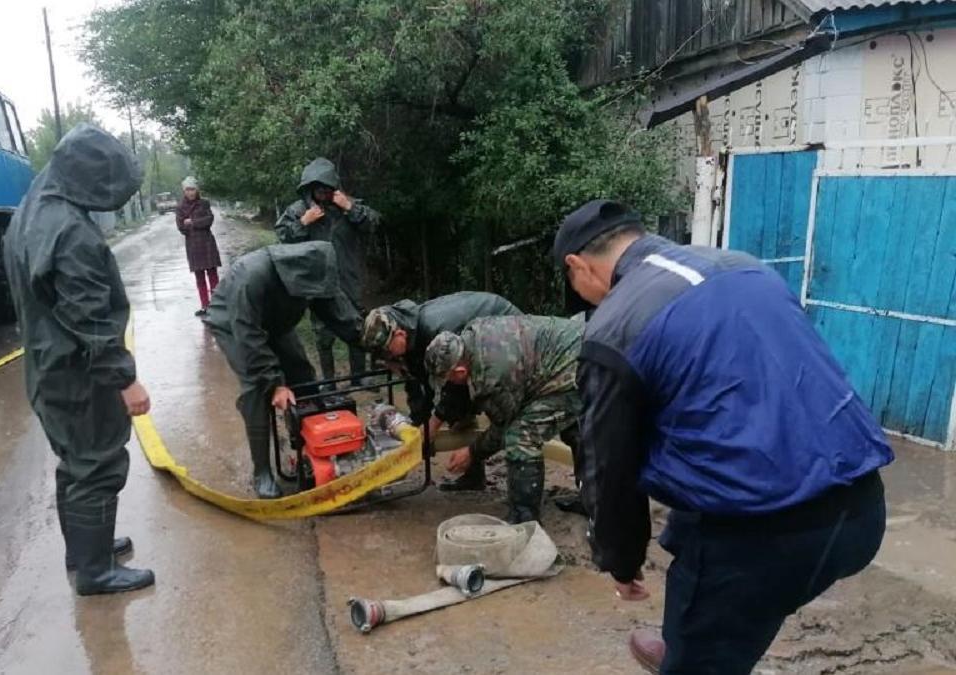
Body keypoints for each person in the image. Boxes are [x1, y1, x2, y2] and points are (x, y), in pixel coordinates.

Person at [550, 199, 894, 673]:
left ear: (577, 266)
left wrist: (621, 561)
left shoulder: (615, 327)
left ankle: (698, 648)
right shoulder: (742, 266)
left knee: (711, 635)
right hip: (863, 512)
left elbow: (609, 470)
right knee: (698, 518)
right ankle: (696, 637)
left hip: (766, 541)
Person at [3, 123, 154, 596]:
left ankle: (86, 549)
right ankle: (95, 571)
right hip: (76, 372)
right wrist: (125, 378)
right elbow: (89, 317)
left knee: (74, 461)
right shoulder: (68, 231)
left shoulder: (33, 209)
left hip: (49, 366)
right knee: (96, 462)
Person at [203, 241, 363, 499]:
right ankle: (262, 472)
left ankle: (307, 445)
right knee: (257, 389)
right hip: (234, 325)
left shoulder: (314, 272)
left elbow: (340, 316)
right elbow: (248, 334)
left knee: (302, 373)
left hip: (276, 321)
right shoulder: (251, 275)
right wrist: (275, 383)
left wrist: (373, 344)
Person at [423, 315, 583, 523]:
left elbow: (504, 428)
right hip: (578, 348)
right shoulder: (473, 335)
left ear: (460, 371)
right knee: (574, 428)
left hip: (572, 369)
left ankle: (524, 519)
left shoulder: (491, 375)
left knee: (521, 437)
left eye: (446, 378)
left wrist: (472, 452)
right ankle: (594, 500)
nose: (447, 384)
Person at [361, 291, 522, 491]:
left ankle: (522, 487)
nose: (387, 359)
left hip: (505, 329)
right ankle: (474, 477)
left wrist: (433, 426)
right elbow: (419, 386)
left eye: (387, 353)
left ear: (399, 333)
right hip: (472, 339)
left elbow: (456, 388)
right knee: (459, 413)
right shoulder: (410, 339)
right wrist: (420, 429)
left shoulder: (433, 331)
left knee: (499, 408)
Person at [274, 158, 380, 382]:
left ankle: (359, 377)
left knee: (356, 328)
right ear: (309, 188)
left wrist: (350, 208)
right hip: (318, 282)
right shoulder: (298, 210)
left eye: (326, 188)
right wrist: (303, 223)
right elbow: (283, 237)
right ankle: (329, 382)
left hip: (349, 278)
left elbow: (373, 224)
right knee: (323, 334)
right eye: (318, 188)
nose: (322, 193)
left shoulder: (347, 205)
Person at [175, 176, 221, 316]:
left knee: (213, 275)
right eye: (188, 189)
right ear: (184, 191)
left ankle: (217, 305)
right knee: (199, 277)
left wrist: (193, 222)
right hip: (193, 246)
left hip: (207, 244)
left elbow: (209, 220)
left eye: (193, 189)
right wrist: (189, 224)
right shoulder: (180, 207)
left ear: (197, 189)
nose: (190, 192)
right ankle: (205, 306)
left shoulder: (204, 203)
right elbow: (181, 227)